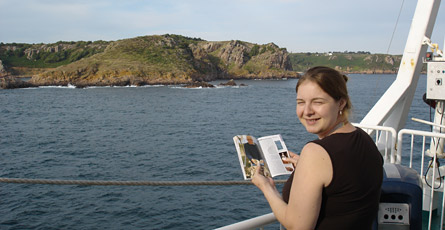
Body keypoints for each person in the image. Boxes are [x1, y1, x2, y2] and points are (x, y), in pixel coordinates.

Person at [252, 66, 383, 230]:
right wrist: (306, 168)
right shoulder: (364, 139)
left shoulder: (316, 152)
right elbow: (343, 186)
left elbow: (298, 226)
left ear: (341, 103)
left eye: (318, 102)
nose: (307, 111)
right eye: (301, 102)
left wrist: (266, 187)